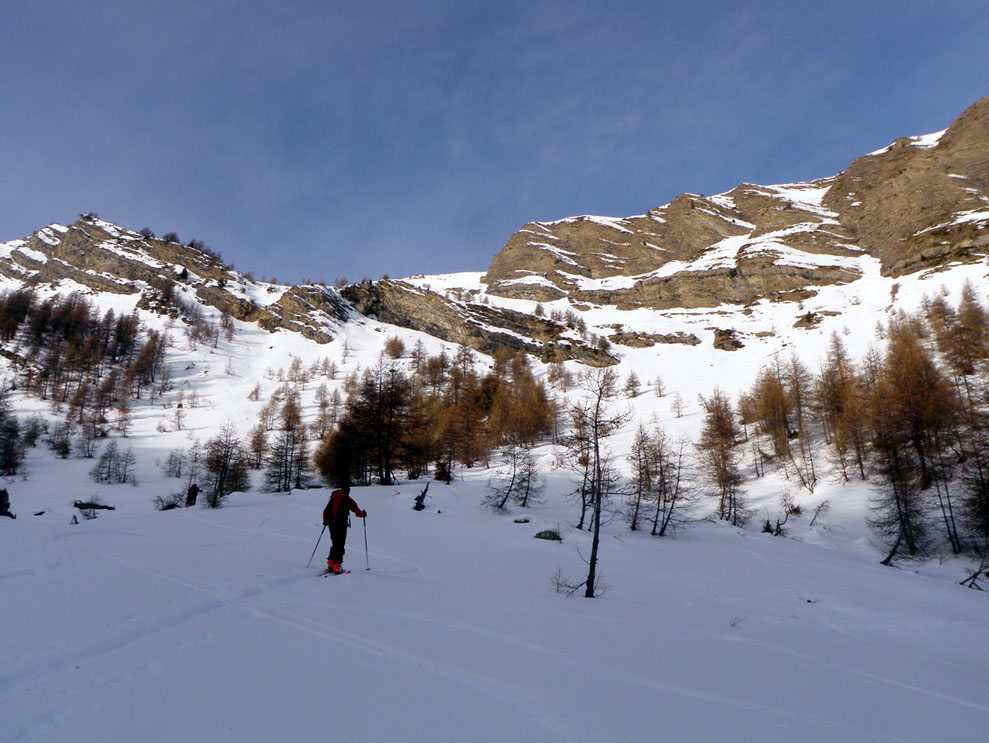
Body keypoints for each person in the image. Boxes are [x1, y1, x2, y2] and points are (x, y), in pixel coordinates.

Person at [322, 484, 366, 574]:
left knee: (335, 543)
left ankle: (331, 563)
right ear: (348, 491)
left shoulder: (333, 498)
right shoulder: (348, 500)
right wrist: (363, 514)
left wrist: (325, 521)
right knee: (340, 544)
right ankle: (336, 565)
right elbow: (357, 512)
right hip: (341, 524)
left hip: (331, 524)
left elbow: (325, 511)